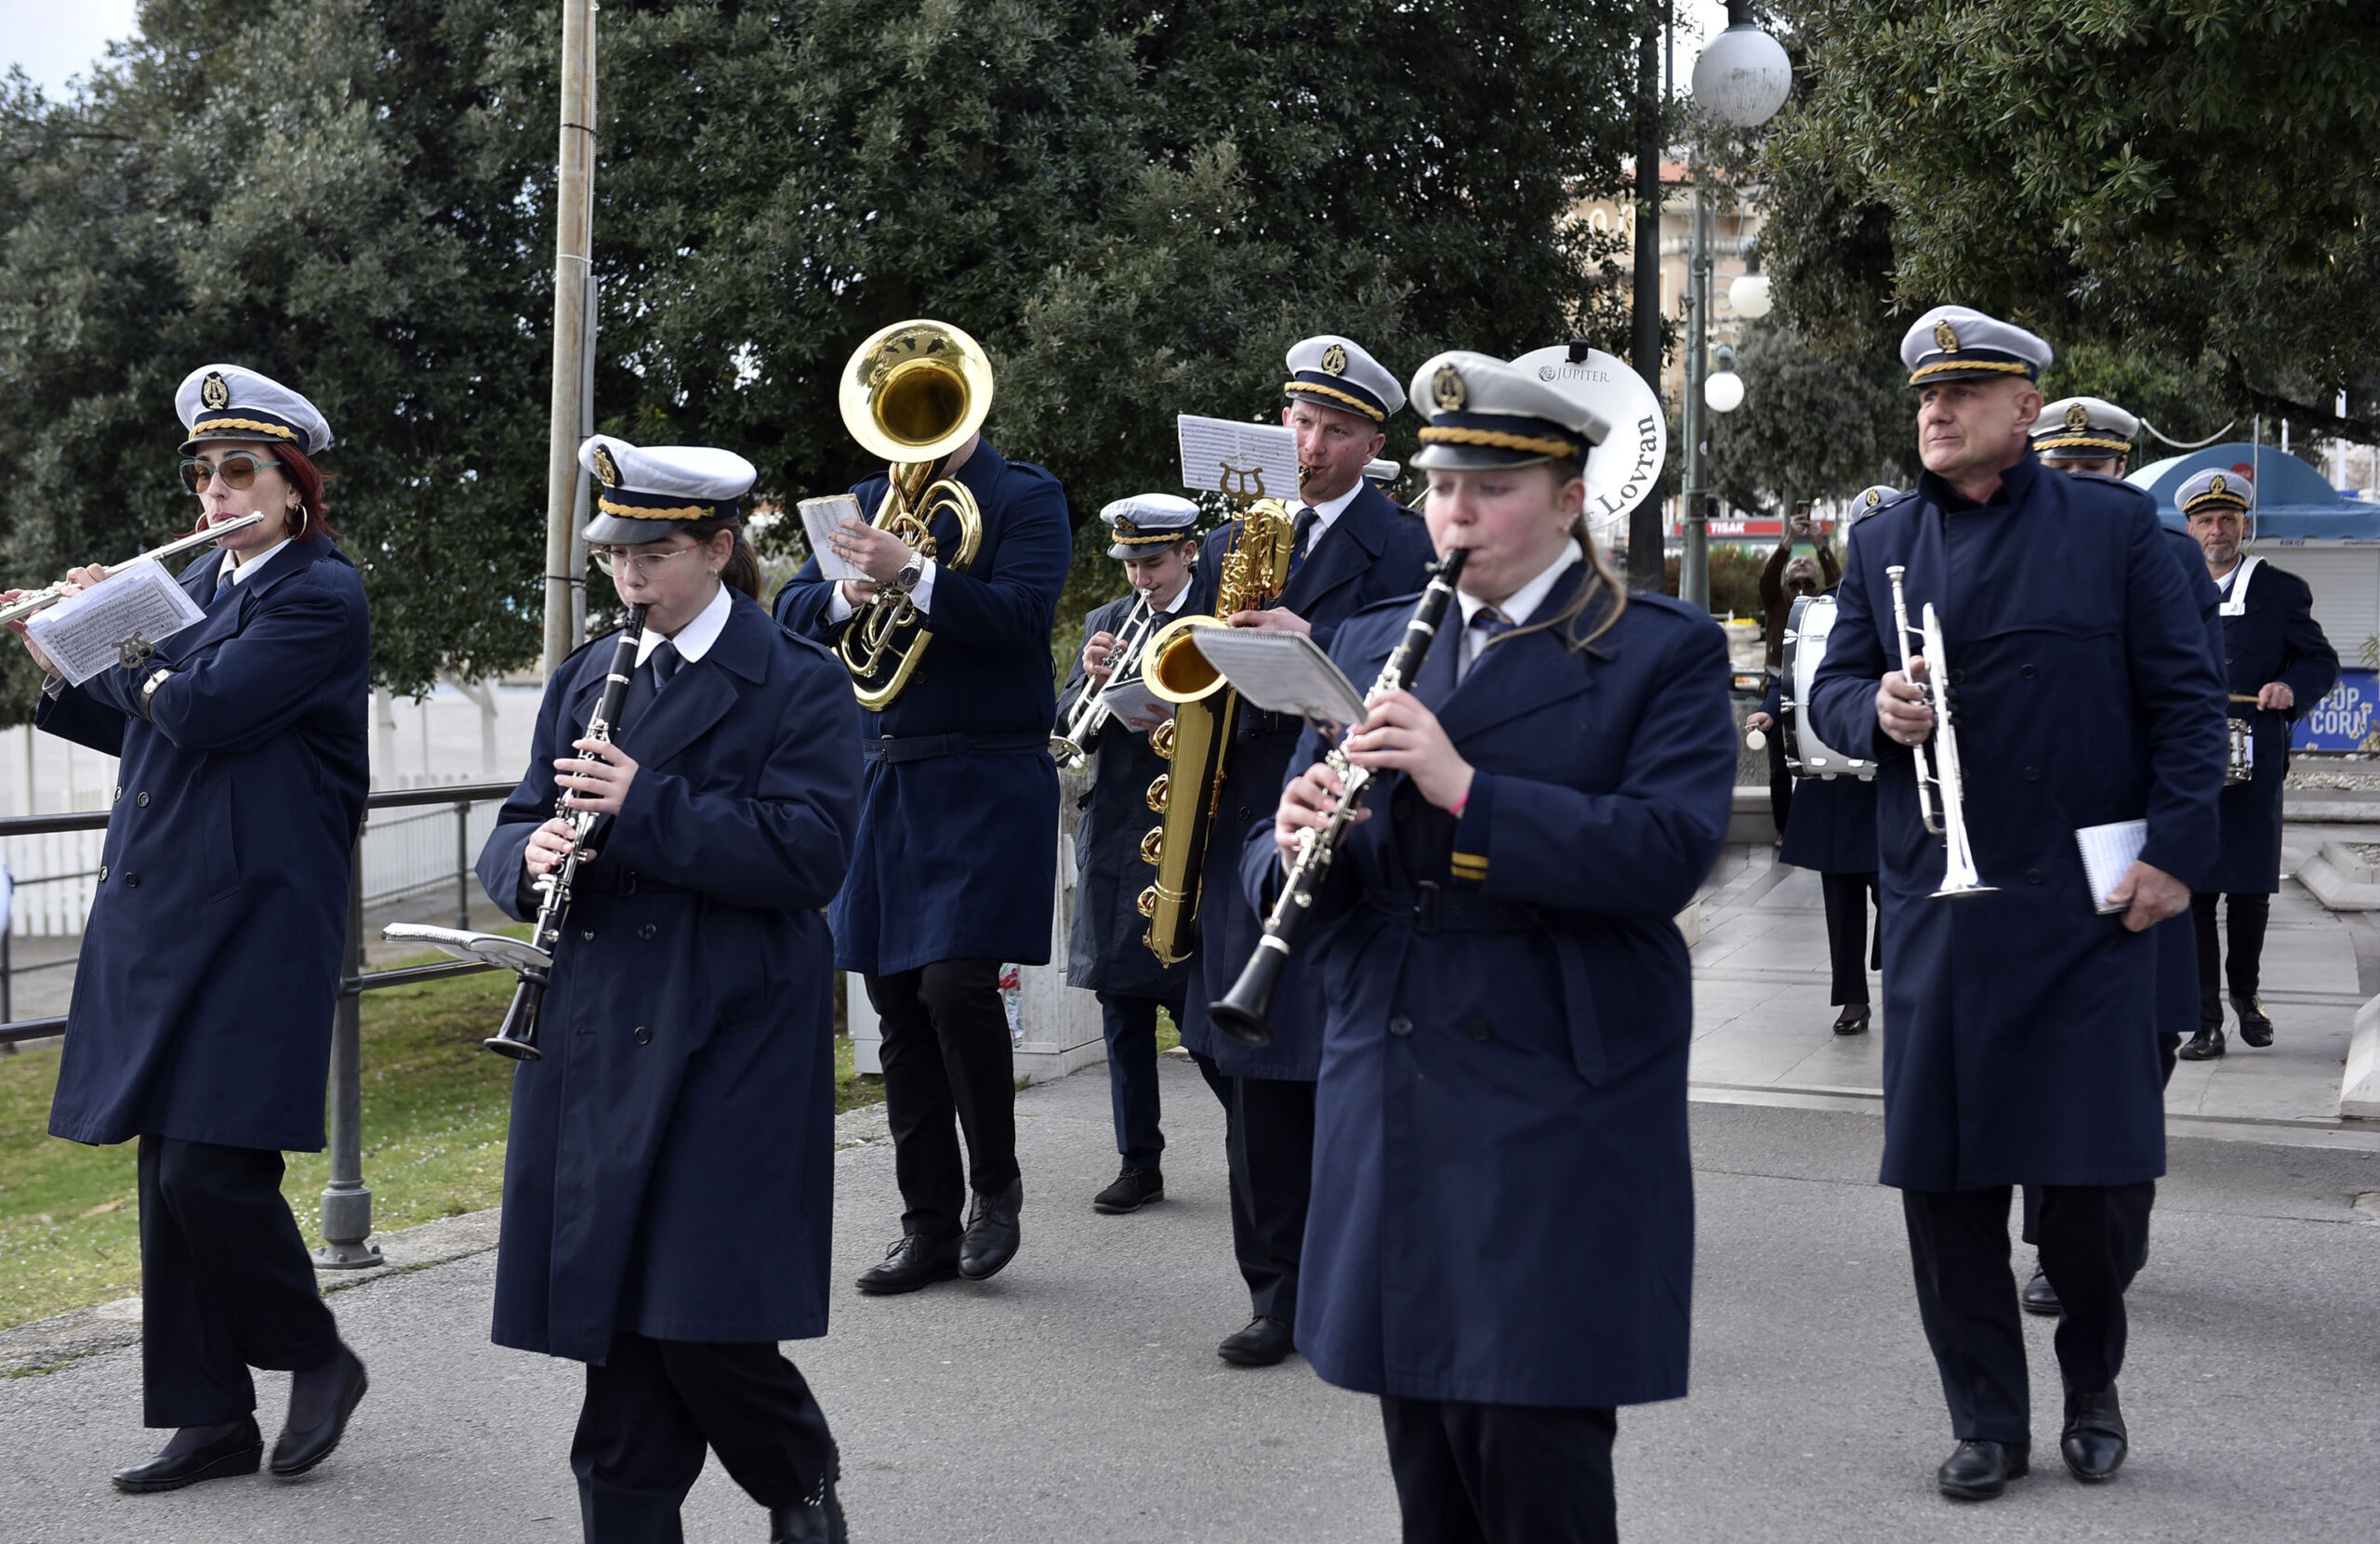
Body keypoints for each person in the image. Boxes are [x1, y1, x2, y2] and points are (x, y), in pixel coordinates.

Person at [1260, 348, 1733, 1542]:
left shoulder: (1658, 647)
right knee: (1425, 1446)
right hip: (1392, 1062)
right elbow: (1299, 861)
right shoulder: (1366, 642)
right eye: (1439, 487)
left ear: (1569, 499)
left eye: (1492, 488)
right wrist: (1294, 837)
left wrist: (1466, 789)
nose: (1456, 514)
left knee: (1532, 1443)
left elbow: (1665, 854)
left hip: (1553, 1080)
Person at [1808, 307, 2226, 1500]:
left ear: (2024, 410)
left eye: (1961, 394)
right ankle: (1986, 1415)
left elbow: (2188, 704)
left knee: (2091, 1190)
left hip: (2088, 909)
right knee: (1944, 1185)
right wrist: (1869, 710)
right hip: (1943, 906)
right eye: (1925, 397)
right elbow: (1830, 692)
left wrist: (2175, 856)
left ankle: (2092, 1383)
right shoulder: (1881, 541)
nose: (1935, 411)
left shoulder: (2116, 529)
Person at [478, 436, 862, 1542]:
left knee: (696, 1314)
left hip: (728, 1029)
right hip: (597, 1026)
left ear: (719, 549)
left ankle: (799, 1477)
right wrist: (530, 858)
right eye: (615, 555)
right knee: (616, 1321)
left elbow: (811, 854)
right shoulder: (586, 675)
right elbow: (516, 820)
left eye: (653, 555)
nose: (629, 576)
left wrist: (645, 803)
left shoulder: (797, 679)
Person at [7, 365, 371, 1492]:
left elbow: (205, 707)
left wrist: (122, 636)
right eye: (204, 473)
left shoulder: (320, 593)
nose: (216, 491)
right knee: (168, 1170)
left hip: (259, 917)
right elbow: (149, 724)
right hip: (169, 909)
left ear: (292, 485)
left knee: (213, 1169)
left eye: (239, 470)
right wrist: (61, 642)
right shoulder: (201, 587)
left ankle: (317, 1353)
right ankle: (209, 1415)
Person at [776, 372, 1071, 1294]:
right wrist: (846, 594)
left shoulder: (1026, 495)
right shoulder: (865, 501)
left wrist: (912, 570)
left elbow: (1022, 618)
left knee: (954, 982)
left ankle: (995, 1189)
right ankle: (927, 1224)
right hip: (890, 776)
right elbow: (789, 611)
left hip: (988, 770)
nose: (913, 436)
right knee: (895, 997)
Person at [1174, 334, 1435, 1367]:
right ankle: (1274, 1291)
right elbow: (1198, 668)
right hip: (1246, 821)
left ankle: (1354, 1270)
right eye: (1299, 421)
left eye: (1334, 430)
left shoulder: (1406, 543)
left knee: (1339, 1066)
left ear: (1372, 443)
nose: (1310, 445)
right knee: (1249, 1072)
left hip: (1352, 822)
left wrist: (1309, 645)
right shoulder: (1233, 536)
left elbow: (1420, 678)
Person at [2017, 398, 2223, 1316]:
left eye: (2092, 470)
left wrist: (2173, 843)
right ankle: (2058, 1245)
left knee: (2137, 1051)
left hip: (2130, 840)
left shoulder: (2169, 556)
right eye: (2059, 469)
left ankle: (2113, 1224)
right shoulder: (2008, 546)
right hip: (2034, 846)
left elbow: (2192, 708)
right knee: (2039, 1057)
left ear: (2121, 471)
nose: (2074, 485)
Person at [1054, 494, 1219, 1213]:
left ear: (1188, 551)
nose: (1141, 578)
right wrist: (1093, 682)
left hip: (1190, 834)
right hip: (1119, 832)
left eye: (1153, 563)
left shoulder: (1216, 617)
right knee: (1121, 1009)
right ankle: (1138, 1162)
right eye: (1130, 565)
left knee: (1198, 1012)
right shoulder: (1107, 622)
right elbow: (1068, 726)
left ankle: (1259, 1138)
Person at [2177, 468, 2337, 1059]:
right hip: (2183, 762)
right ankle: (2205, 1021)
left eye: (2228, 519)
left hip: (2255, 761)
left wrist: (2290, 688)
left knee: (2247, 891)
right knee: (2192, 893)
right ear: (2190, 529)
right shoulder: (2164, 587)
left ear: (2244, 525)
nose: (2217, 530)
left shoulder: (2281, 590)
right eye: (2206, 520)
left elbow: (2319, 661)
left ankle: (2246, 996)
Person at [1752, 488, 1900, 1034]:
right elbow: (1801, 671)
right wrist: (1772, 709)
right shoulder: (1825, 604)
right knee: (1840, 897)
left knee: (1896, 890)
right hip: (1833, 774)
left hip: (1890, 773)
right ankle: (1853, 999)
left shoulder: (1918, 597)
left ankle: (1900, 972)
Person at [1755, 509, 1842, 837]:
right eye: (1795, 562)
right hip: (1779, 685)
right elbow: (1768, 576)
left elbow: (1840, 583)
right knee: (1779, 765)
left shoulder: (1825, 599)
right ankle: (1785, 830)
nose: (1801, 562)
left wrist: (1821, 545)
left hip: (1817, 684)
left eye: (1808, 562)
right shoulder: (1776, 598)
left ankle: (1818, 828)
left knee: (1823, 757)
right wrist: (1790, 540)